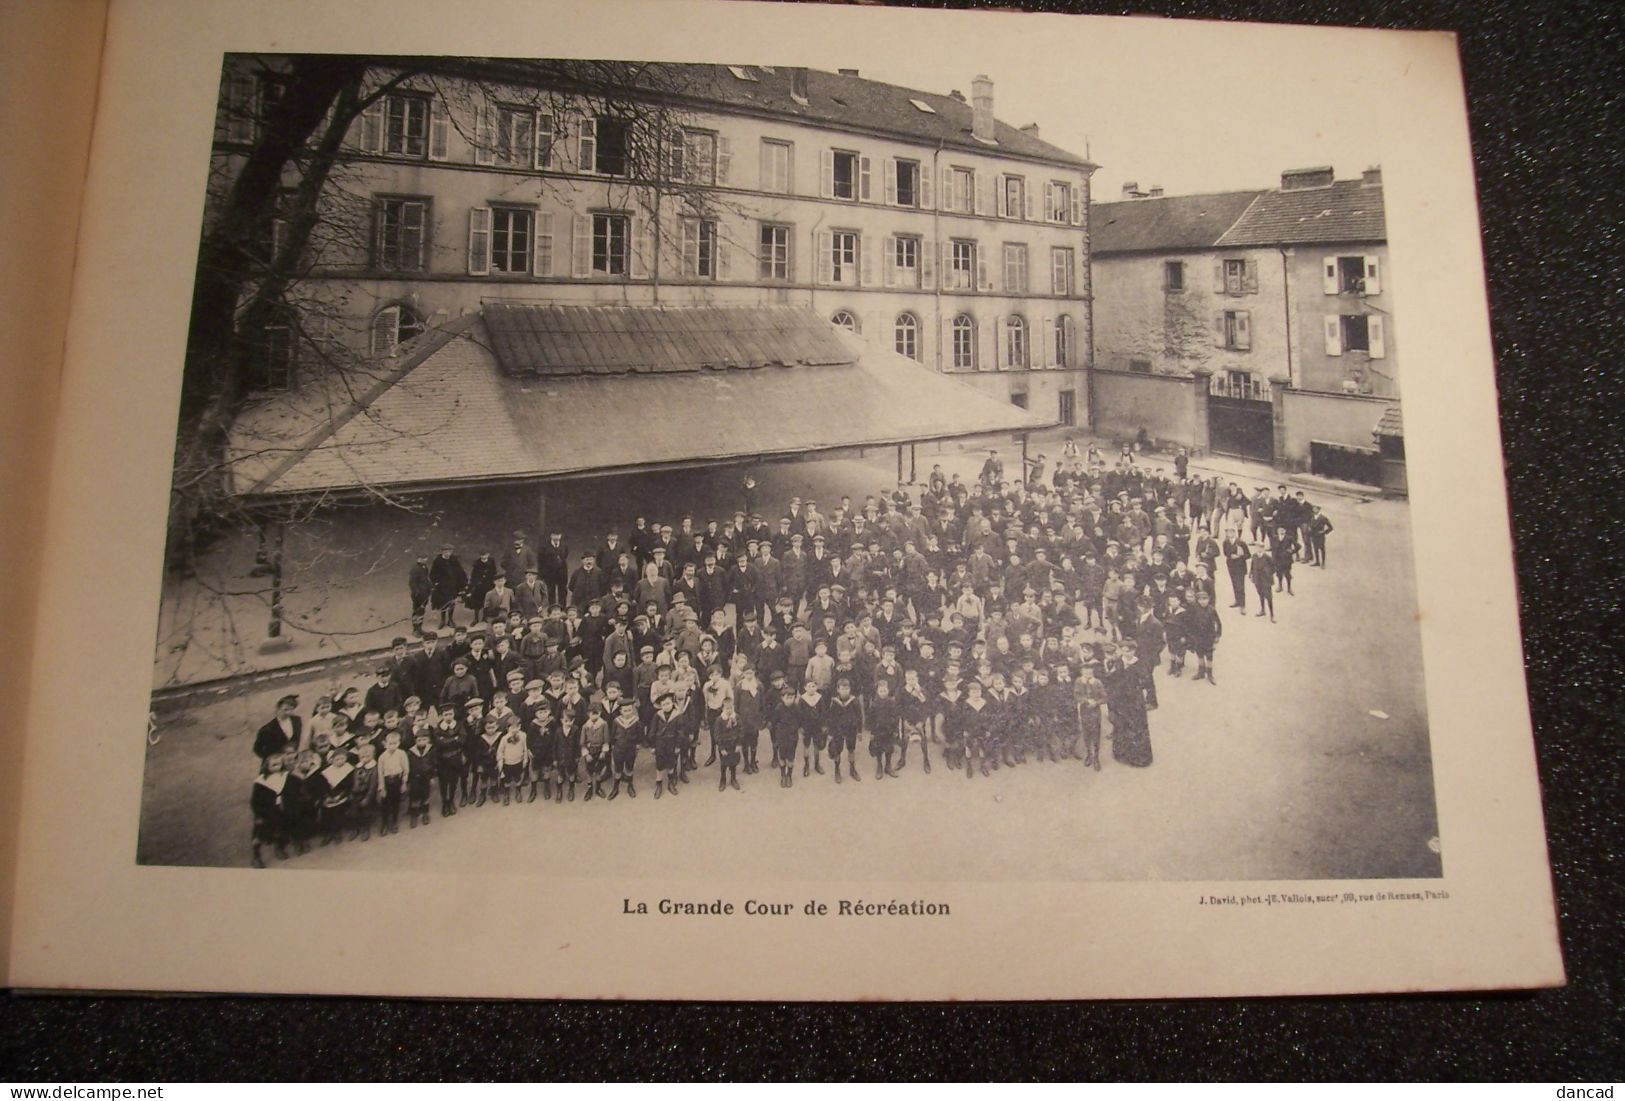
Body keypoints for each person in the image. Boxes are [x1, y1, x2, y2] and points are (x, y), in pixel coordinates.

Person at [250, 751, 289, 868]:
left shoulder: (286, 776)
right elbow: (255, 801)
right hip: (265, 811)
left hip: (280, 810)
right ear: (267, 766)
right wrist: (259, 815)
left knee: (280, 830)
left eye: (279, 764)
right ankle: (256, 856)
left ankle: (279, 848)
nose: (277, 768)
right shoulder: (261, 782)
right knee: (260, 834)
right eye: (273, 765)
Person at [1184, 588, 1223, 685]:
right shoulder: (1194, 609)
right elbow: (1188, 621)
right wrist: (1190, 634)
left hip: (1209, 637)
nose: (1203, 601)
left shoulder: (1212, 610)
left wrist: (1217, 635)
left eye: (1205, 599)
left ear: (1209, 599)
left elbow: (1218, 623)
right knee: (1199, 654)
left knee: (1209, 655)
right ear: (1197, 600)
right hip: (1197, 636)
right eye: (1200, 599)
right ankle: (1201, 672)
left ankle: (1210, 674)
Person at [254, 694, 302, 760]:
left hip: (293, 759)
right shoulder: (267, 729)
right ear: (277, 709)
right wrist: (270, 760)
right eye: (285, 710)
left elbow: (296, 740)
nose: (288, 713)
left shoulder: (296, 721)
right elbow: (257, 749)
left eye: (291, 710)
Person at [1249, 544, 1276, 622]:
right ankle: (1263, 610)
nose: (1258, 549)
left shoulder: (1267, 557)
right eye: (1257, 547)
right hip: (1257, 579)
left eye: (1260, 547)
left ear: (1263, 548)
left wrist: (1268, 573)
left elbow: (1274, 567)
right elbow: (1252, 565)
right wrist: (1251, 574)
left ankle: (1272, 615)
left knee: (1269, 597)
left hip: (1266, 580)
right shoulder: (1254, 556)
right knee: (1260, 594)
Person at [408, 555, 432, 635]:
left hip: (425, 593)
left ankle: (420, 628)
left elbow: (426, 579)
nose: (424, 559)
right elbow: (412, 582)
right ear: (418, 559)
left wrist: (430, 587)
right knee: (417, 611)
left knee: (421, 611)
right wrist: (416, 592)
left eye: (425, 558)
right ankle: (415, 629)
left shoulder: (424, 567)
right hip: (418, 595)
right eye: (422, 558)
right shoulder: (415, 569)